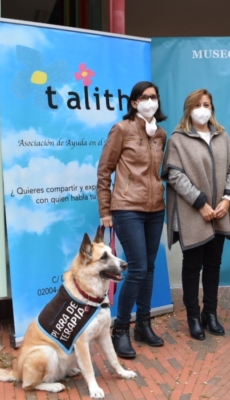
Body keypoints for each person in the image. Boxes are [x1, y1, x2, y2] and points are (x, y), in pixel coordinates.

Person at [161, 89, 230, 341]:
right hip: (192, 212)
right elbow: (174, 175)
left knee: (213, 265)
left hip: (220, 210)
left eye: (207, 104)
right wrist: (200, 203)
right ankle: (193, 317)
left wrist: (228, 199)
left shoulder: (222, 135)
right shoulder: (178, 139)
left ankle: (211, 314)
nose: (203, 109)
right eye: (198, 104)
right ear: (189, 109)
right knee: (192, 265)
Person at [97, 81, 168, 359]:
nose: (150, 101)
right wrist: (105, 210)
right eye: (144, 97)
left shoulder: (160, 133)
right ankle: (121, 330)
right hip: (127, 207)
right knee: (137, 267)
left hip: (155, 209)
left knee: (148, 267)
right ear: (134, 102)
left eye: (154, 96)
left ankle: (144, 325)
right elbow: (104, 171)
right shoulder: (122, 129)